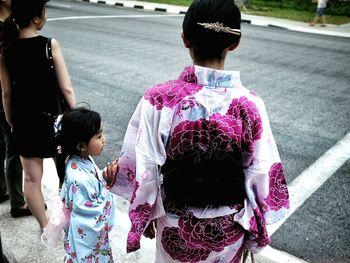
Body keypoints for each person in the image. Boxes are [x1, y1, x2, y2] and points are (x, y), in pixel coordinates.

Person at [105, 0, 290, 261]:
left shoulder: (160, 98)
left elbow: (143, 165)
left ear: (185, 39)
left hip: (176, 226)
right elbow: (261, 171)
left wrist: (146, 213)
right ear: (234, 42)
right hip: (229, 229)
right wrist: (254, 228)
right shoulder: (249, 105)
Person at [0, 0, 76, 231]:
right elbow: (66, 88)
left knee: (32, 180)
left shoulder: (5, 49)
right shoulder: (49, 45)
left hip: (24, 121)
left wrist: (11, 119)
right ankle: (70, 222)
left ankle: (45, 227)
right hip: (54, 121)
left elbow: (6, 92)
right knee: (67, 173)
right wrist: (76, 113)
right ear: (36, 18)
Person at [43, 107, 117, 262]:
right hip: (86, 244)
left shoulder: (79, 160)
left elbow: (94, 186)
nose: (104, 139)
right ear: (81, 146)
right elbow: (91, 218)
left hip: (85, 239)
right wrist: (107, 185)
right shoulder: (79, 178)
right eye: (98, 136)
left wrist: (103, 177)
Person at [0, 0, 30, 218]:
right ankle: (18, 203)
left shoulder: (13, 20)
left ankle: (4, 189)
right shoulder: (6, 26)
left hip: (6, 93)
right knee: (14, 149)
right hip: (5, 96)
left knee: (4, 144)